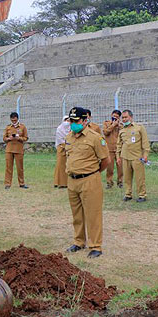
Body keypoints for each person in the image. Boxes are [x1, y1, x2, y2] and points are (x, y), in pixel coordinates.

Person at [64, 107, 110, 258]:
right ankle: (79, 242)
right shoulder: (69, 137)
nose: (73, 124)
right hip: (72, 181)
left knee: (93, 214)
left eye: (76, 121)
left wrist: (93, 173)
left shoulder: (95, 138)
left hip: (90, 180)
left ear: (85, 121)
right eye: (71, 121)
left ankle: (95, 245)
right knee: (77, 215)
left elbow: (105, 161)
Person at [116, 110, 150, 202]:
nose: (124, 119)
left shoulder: (139, 128)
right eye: (122, 117)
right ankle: (128, 194)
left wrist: (145, 155)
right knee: (127, 177)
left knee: (139, 178)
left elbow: (145, 143)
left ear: (131, 117)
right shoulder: (121, 130)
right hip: (125, 157)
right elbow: (119, 145)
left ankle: (142, 195)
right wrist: (118, 157)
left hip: (137, 157)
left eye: (126, 117)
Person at [3, 112, 29, 189]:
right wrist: (9, 138)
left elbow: (26, 138)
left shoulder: (22, 127)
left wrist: (19, 138)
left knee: (20, 167)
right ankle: (7, 184)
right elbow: (4, 138)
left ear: (17, 118)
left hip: (19, 149)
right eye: (12, 120)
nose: (13, 121)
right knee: (8, 167)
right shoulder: (8, 127)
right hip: (9, 149)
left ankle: (22, 183)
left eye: (15, 120)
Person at [102, 110, 123, 189]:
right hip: (109, 149)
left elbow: (123, 133)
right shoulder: (106, 123)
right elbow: (105, 132)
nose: (115, 118)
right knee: (110, 168)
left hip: (118, 149)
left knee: (120, 167)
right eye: (114, 116)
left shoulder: (121, 125)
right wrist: (113, 125)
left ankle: (120, 181)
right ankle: (109, 182)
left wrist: (118, 126)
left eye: (117, 117)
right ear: (111, 115)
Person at [54, 116, 71, 189]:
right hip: (61, 149)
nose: (67, 122)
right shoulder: (59, 129)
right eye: (65, 120)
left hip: (70, 149)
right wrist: (66, 144)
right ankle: (59, 182)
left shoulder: (71, 129)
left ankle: (68, 182)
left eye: (68, 120)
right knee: (60, 165)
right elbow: (60, 140)